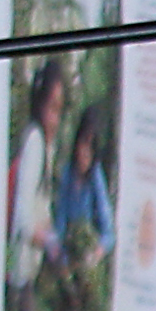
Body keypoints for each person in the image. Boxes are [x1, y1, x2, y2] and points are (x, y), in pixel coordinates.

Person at [5, 59, 69, 311]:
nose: (56, 118)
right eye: (52, 107)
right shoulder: (34, 141)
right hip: (19, 270)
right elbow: (22, 219)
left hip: (31, 269)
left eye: (60, 109)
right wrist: (46, 238)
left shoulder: (47, 146)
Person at [53, 104, 116, 260]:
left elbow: (108, 233)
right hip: (66, 256)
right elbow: (61, 219)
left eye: (90, 148)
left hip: (87, 257)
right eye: (83, 144)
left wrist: (95, 252)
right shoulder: (68, 173)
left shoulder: (95, 177)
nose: (84, 153)